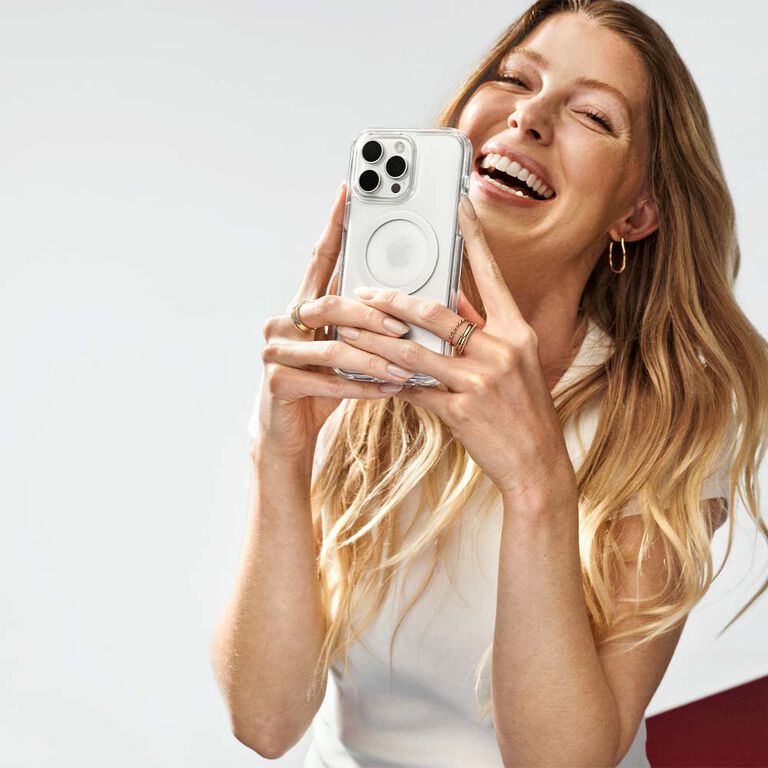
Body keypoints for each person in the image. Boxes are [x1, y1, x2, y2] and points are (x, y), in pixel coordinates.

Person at [211, 1, 768, 765]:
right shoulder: (362, 352)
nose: (529, 118)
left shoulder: (669, 414)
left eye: (594, 116)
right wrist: (276, 454)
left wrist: (536, 479)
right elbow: (266, 722)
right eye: (514, 79)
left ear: (635, 213)